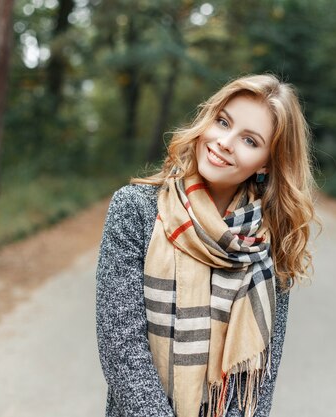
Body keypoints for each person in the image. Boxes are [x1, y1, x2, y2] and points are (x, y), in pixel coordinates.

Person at [96, 74, 317, 417]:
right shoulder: (135, 209)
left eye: (249, 139)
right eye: (223, 122)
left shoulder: (268, 242)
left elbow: (259, 381)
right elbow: (121, 348)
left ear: (267, 162)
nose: (225, 142)